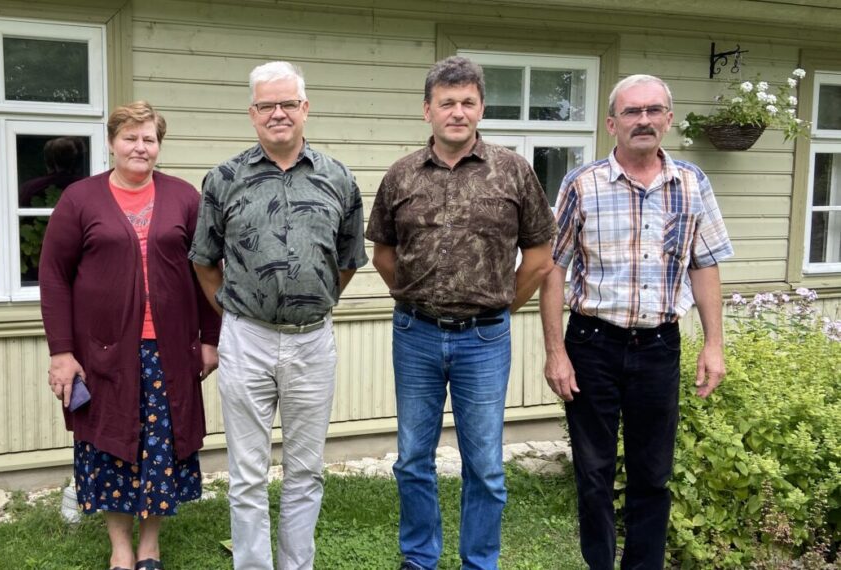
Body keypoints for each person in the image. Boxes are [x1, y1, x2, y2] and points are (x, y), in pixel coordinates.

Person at [366, 55, 556, 570]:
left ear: (481, 108)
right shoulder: (402, 174)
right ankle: (420, 558)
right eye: (447, 103)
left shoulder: (514, 171)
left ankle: (479, 562)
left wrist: (498, 306)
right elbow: (382, 251)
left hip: (485, 340)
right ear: (427, 109)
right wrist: (413, 293)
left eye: (467, 102)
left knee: (486, 467)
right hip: (416, 335)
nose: (457, 112)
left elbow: (539, 256)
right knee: (412, 460)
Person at [538, 74, 733, 570]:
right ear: (611, 124)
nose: (642, 120)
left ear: (668, 119)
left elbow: (705, 263)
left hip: (659, 347)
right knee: (594, 473)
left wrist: (714, 345)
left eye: (652, 110)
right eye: (631, 112)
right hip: (591, 344)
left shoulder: (692, 183)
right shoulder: (581, 184)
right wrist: (555, 352)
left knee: (653, 474)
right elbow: (553, 269)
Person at [189, 61, 368, 570]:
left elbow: (348, 260)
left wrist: (312, 300)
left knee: (305, 470)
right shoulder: (224, 179)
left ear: (305, 109)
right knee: (246, 473)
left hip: (313, 342)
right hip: (246, 339)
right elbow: (204, 259)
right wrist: (232, 310)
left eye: (288, 103)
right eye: (267, 105)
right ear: (252, 114)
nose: (278, 113)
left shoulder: (338, 178)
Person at [39, 101, 221, 570]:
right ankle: (120, 547)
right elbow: (54, 276)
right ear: (112, 142)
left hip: (168, 350)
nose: (140, 147)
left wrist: (210, 336)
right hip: (102, 353)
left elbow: (206, 271)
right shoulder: (80, 199)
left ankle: (150, 544)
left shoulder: (184, 197)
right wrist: (62, 351)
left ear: (159, 145)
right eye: (130, 137)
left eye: (149, 139)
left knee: (161, 444)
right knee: (111, 445)